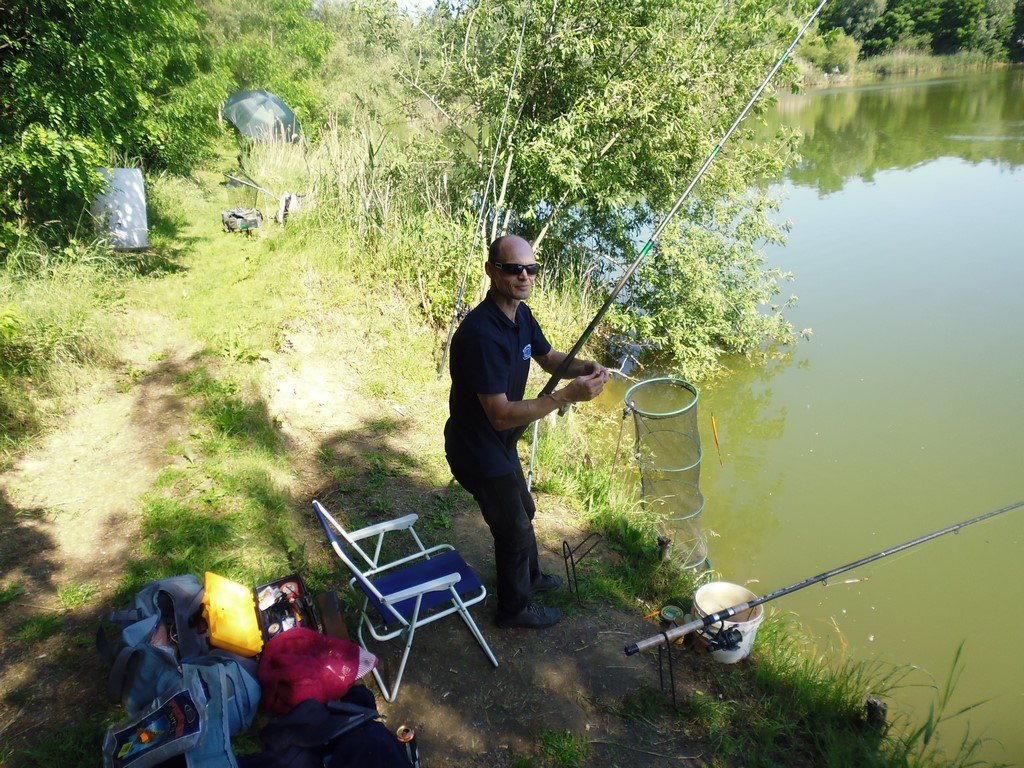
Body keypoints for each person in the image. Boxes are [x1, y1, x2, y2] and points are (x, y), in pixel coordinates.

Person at [444, 235, 609, 629]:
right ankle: (513, 609)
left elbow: (549, 359)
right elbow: (500, 415)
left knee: (526, 511)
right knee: (514, 528)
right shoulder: (482, 335)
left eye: (531, 268)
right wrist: (565, 396)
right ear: (491, 270)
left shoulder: (521, 316)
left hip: (500, 443)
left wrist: (584, 367)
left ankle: (530, 578)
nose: (524, 276)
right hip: (477, 449)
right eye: (513, 268)